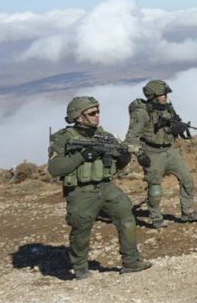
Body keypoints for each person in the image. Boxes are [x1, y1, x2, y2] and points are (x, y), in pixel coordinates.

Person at [48, 96, 152, 279]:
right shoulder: (64, 138)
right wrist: (82, 156)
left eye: (97, 112)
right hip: (81, 191)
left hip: (106, 186)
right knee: (81, 229)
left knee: (126, 217)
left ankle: (131, 261)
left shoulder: (104, 136)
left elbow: (118, 165)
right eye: (92, 113)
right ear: (78, 117)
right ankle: (80, 268)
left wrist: (124, 156)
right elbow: (55, 169)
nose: (97, 116)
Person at [125, 79, 197, 228]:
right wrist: (140, 154)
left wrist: (177, 127)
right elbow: (130, 139)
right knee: (155, 189)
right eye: (162, 94)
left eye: (166, 93)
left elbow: (174, 122)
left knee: (187, 179)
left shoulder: (166, 108)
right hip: (152, 152)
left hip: (169, 150)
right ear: (153, 96)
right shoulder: (142, 113)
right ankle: (155, 217)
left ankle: (188, 211)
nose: (165, 96)